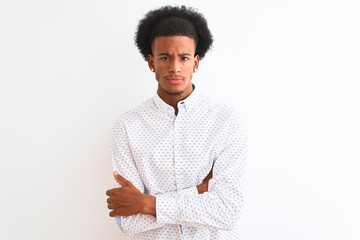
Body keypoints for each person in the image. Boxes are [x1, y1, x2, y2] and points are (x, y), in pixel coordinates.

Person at [106, 5, 247, 240]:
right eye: (164, 57)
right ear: (151, 62)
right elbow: (128, 221)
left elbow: (227, 211)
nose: (174, 67)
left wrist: (148, 204)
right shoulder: (127, 126)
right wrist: (198, 191)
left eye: (184, 58)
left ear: (196, 62)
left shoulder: (226, 121)